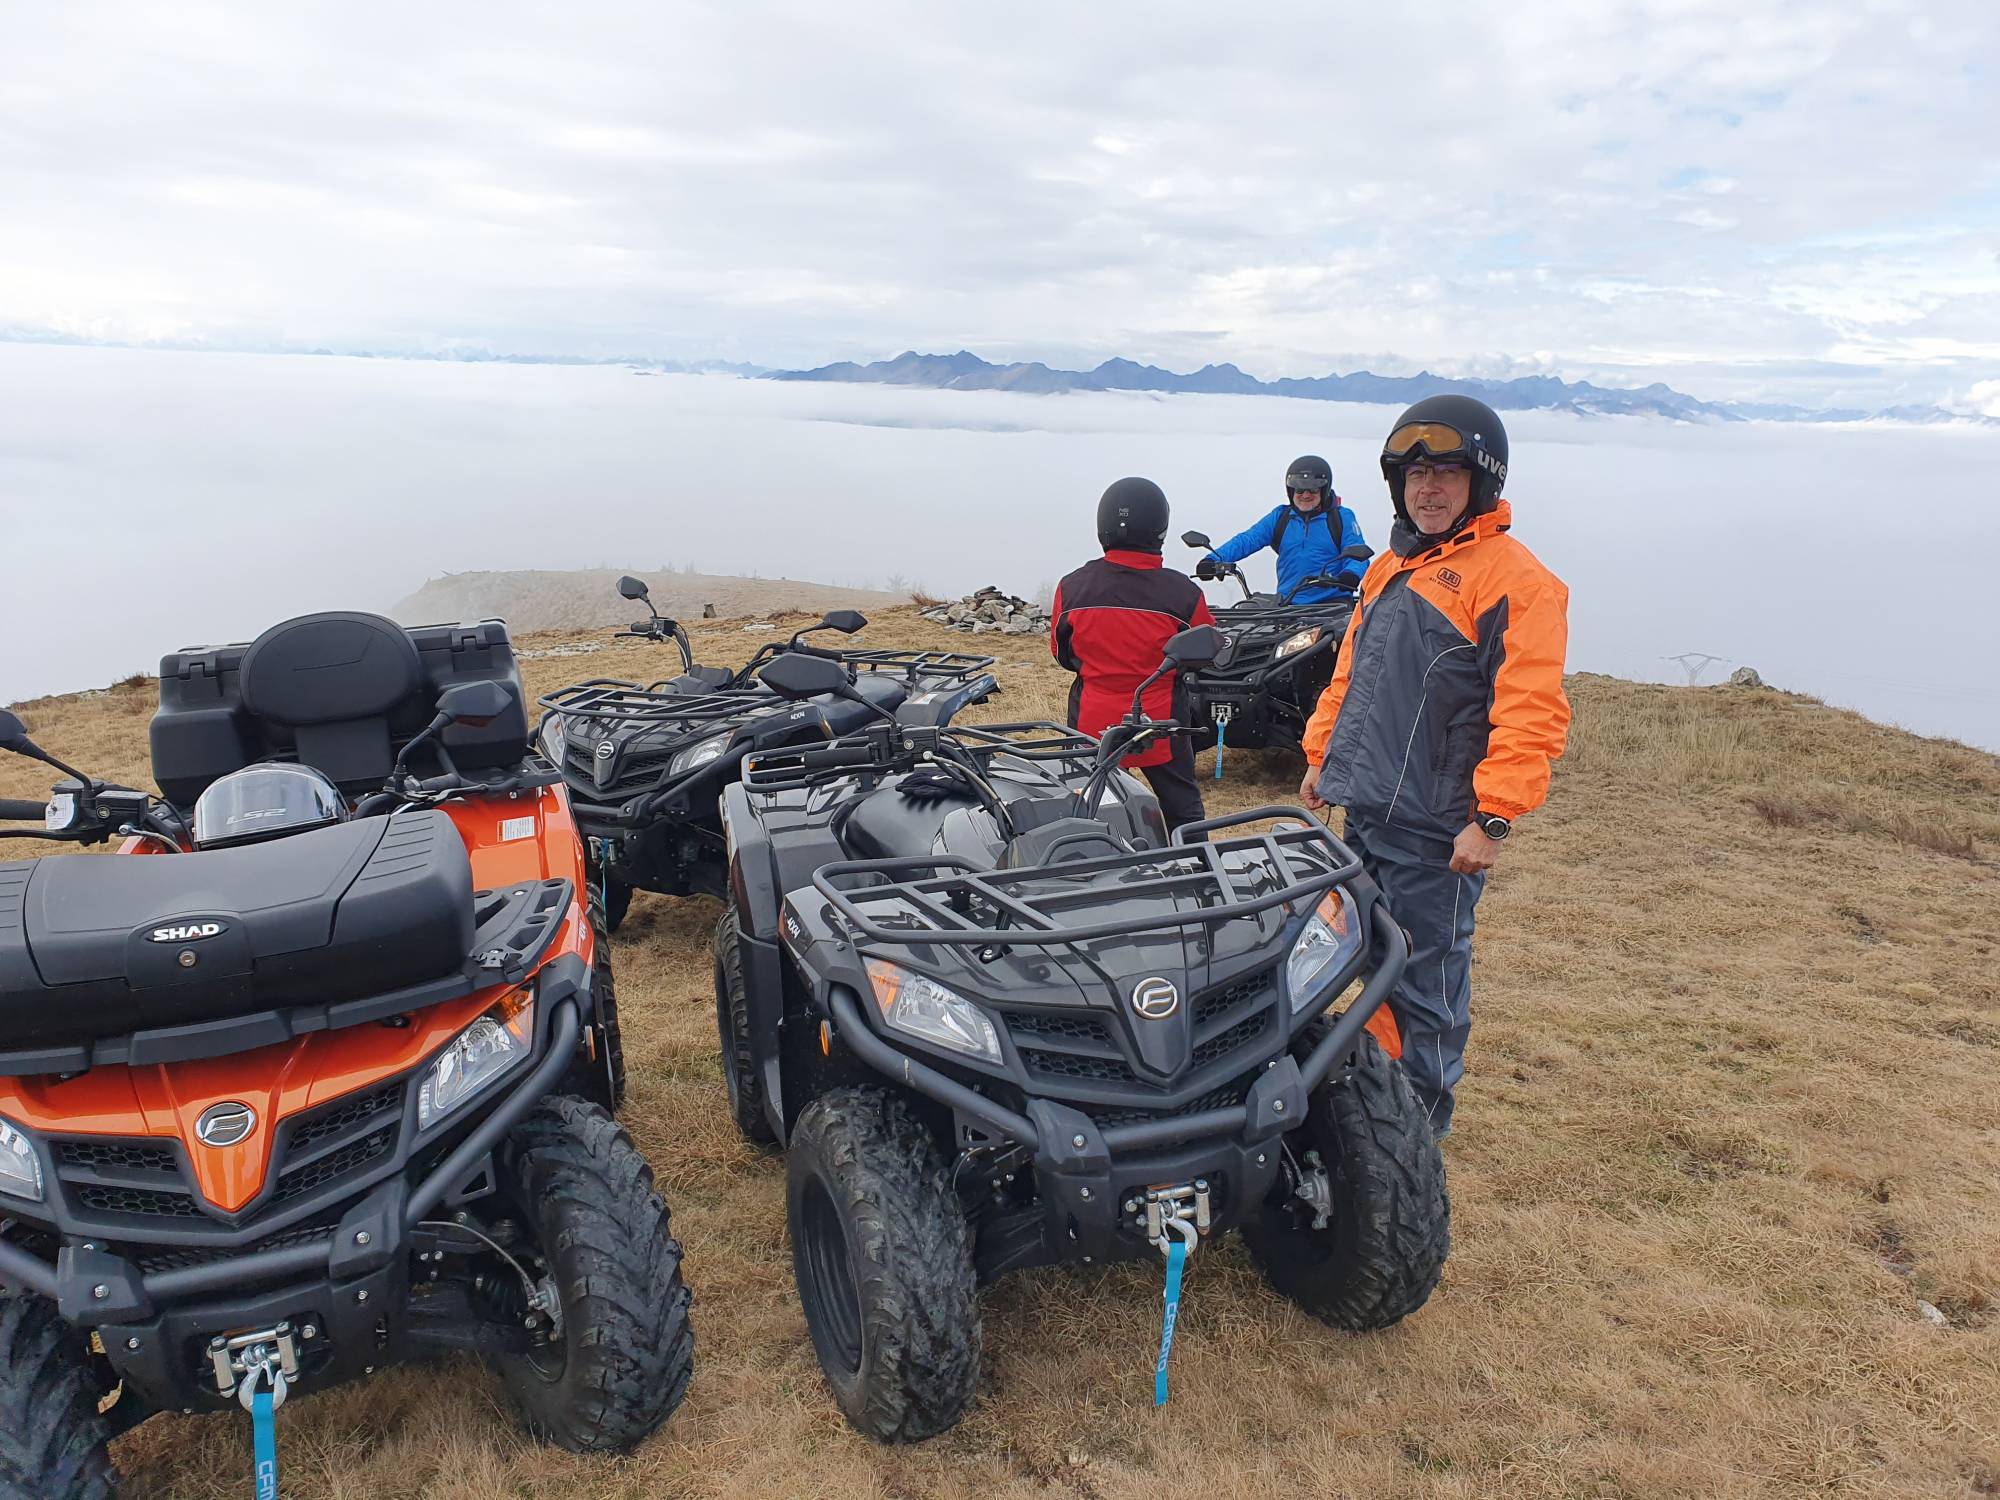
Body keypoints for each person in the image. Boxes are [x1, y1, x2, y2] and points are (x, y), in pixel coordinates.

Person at [1297, 395, 1570, 1138]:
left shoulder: (1515, 580)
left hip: (1436, 831)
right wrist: (1322, 755)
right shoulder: (1391, 567)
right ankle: (1364, 1099)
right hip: (1366, 812)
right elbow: (1350, 673)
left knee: (1426, 984)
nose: (1428, 489)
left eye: (1446, 473)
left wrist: (1494, 817)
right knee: (1352, 959)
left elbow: (1532, 709)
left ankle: (1413, 1137)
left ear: (1480, 483)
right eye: (1415, 474)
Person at [1052, 477, 1217, 833]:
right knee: (1184, 815)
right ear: (1159, 528)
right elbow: (1204, 651)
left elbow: (1062, 653)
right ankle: (1201, 874)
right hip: (1160, 723)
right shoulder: (1184, 593)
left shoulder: (1071, 587)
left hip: (1092, 722)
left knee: (1086, 811)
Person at [1196, 455, 1370, 603]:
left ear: (1324, 490)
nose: (1305, 495)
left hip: (1332, 605)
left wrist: (1350, 575)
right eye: (1299, 490)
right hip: (1288, 605)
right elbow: (1248, 539)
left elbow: (1357, 553)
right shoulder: (1281, 517)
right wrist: (1214, 559)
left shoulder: (1341, 517)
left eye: (1313, 489)